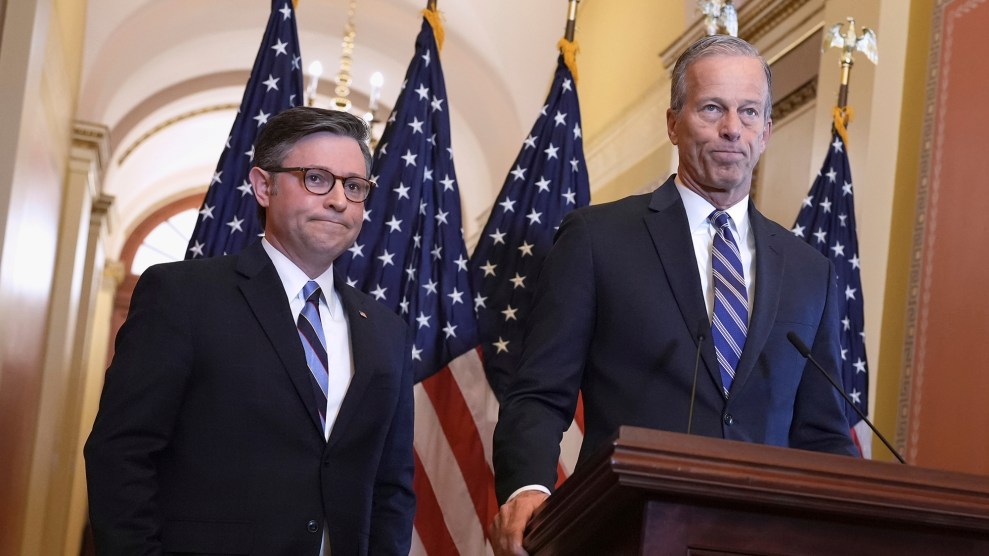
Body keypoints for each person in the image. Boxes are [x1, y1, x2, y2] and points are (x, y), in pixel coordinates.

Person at [490, 35, 858, 555]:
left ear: (767, 131)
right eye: (713, 108)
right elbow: (539, 394)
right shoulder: (598, 239)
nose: (733, 128)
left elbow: (823, 433)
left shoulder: (809, 270)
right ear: (673, 123)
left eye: (749, 112)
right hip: (626, 531)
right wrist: (528, 487)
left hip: (761, 540)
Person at [85, 107, 415, 555]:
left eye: (354, 187)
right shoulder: (183, 296)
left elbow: (391, 487)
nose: (339, 200)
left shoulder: (386, 332)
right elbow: (121, 454)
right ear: (264, 186)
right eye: (317, 178)